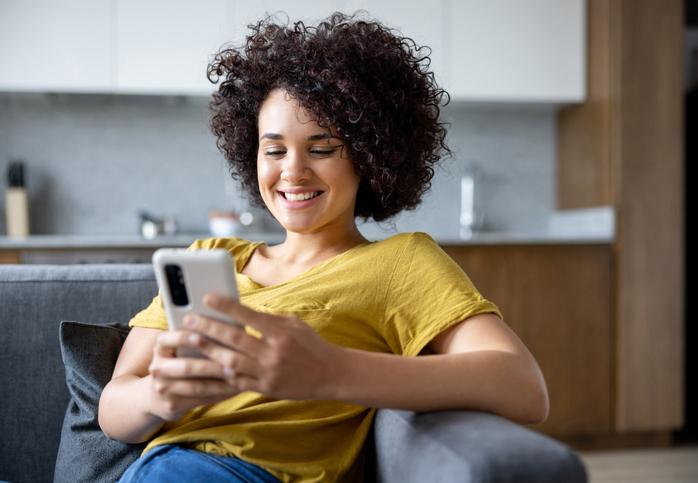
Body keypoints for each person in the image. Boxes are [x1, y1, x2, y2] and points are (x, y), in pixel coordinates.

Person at [98, 12, 549, 483]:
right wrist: (158, 396)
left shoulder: (400, 262)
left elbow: (523, 387)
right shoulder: (212, 255)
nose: (292, 172)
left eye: (322, 148)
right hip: (154, 467)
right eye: (274, 150)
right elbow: (113, 406)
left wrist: (328, 370)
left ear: (368, 155)